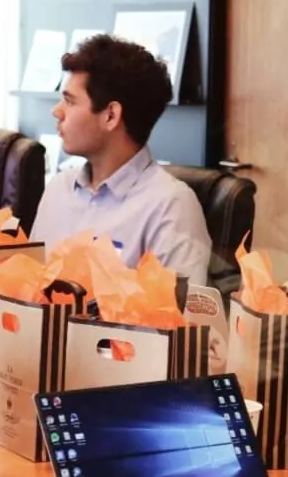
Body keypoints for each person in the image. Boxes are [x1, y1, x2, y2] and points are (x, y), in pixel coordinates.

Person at [30, 34, 212, 287]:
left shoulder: (171, 206)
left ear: (110, 116)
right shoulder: (58, 189)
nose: (57, 111)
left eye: (70, 101)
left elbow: (179, 321)